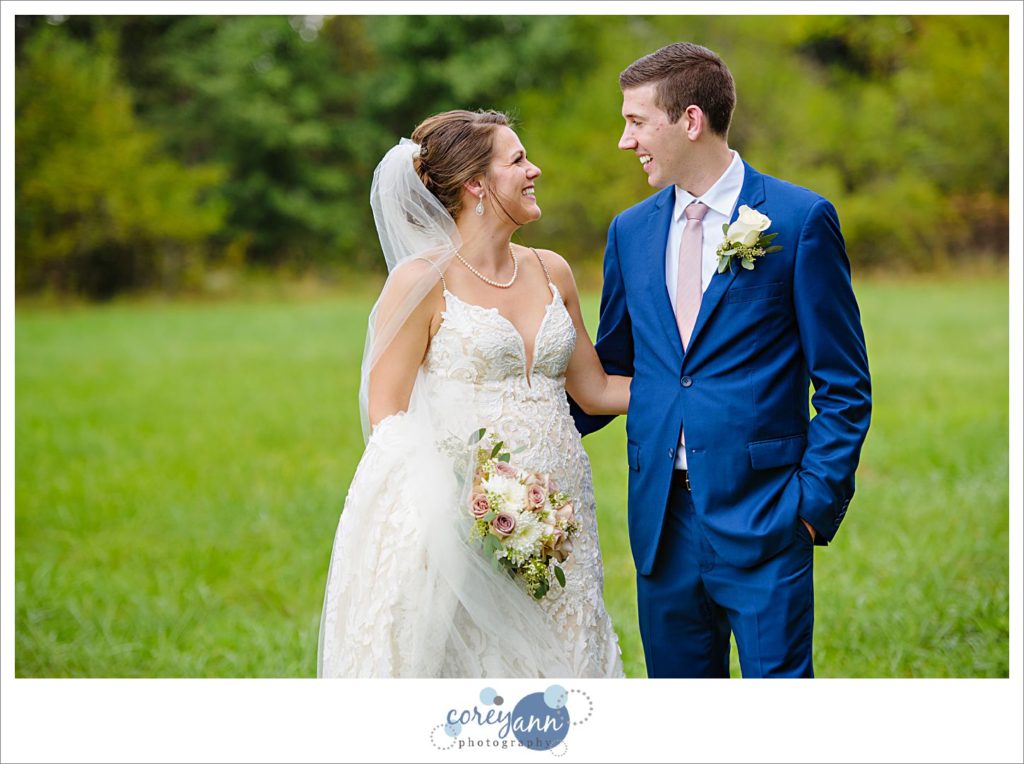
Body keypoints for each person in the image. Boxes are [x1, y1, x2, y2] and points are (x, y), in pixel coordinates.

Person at [572, 43, 872, 678]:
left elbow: (844, 385)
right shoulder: (630, 231)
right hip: (662, 521)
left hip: (767, 515)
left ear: (689, 120)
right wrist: (509, 417)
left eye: (635, 121)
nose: (625, 141)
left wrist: (811, 509)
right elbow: (616, 366)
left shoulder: (798, 220)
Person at [317, 109, 627, 678]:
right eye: (517, 161)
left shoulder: (552, 270)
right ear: (476, 186)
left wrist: (703, 386)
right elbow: (387, 417)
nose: (534, 170)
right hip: (470, 523)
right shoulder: (421, 280)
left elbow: (597, 388)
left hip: (563, 519)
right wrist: (467, 503)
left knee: (571, 661)